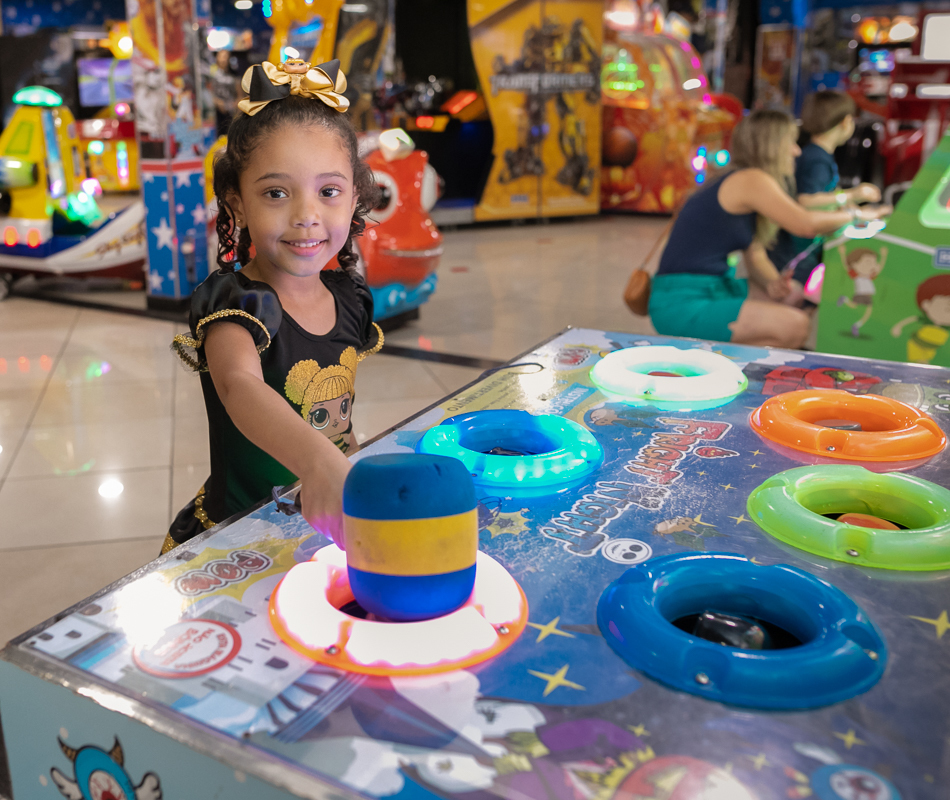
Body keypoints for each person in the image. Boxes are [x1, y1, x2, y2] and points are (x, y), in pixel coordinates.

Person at [165, 58, 382, 554]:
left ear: (354, 199)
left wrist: (345, 467)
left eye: (329, 191)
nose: (307, 215)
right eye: (277, 193)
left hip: (318, 524)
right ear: (237, 203)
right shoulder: (237, 305)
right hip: (240, 536)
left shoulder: (349, 298)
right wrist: (317, 462)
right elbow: (238, 386)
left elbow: (337, 419)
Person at [648, 108, 891, 348]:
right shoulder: (751, 179)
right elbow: (804, 224)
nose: (797, 152)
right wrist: (858, 214)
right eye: (791, 143)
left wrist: (773, 282)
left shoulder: (741, 178)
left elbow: (754, 252)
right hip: (682, 300)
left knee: (792, 297)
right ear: (771, 147)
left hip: (708, 288)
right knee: (796, 326)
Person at [769, 91, 882, 288]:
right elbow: (806, 200)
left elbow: (822, 194)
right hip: (797, 254)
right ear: (846, 122)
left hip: (800, 250)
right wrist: (852, 195)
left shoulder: (817, 155)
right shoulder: (818, 160)